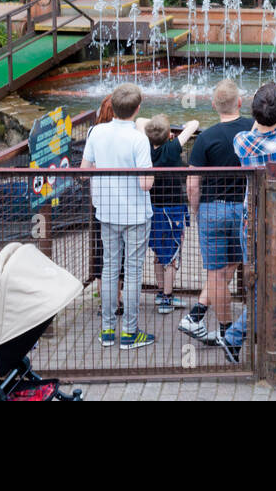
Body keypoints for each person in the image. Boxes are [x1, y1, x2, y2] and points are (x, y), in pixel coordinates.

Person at [222, 82, 276, 362]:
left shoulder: (242, 143)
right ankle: (237, 336)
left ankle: (250, 336)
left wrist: (264, 113)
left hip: (252, 228)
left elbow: (250, 135)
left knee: (259, 285)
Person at [83, 83, 154, 350]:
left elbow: (85, 169)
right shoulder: (138, 138)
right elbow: (146, 183)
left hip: (107, 211)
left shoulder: (96, 132)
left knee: (110, 268)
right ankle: (130, 332)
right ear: (137, 108)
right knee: (133, 272)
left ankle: (108, 330)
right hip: (135, 214)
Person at [181, 79, 252, 345]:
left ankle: (223, 328)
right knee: (245, 264)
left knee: (217, 272)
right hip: (244, 208)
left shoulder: (206, 138)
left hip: (213, 208)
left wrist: (198, 211)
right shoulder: (252, 129)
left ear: (213, 105)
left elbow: (192, 184)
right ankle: (231, 329)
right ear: (240, 103)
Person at [143, 115, 199, 314]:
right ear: (168, 134)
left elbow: (141, 120)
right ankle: (167, 298)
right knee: (173, 254)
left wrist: (160, 133)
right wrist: (175, 134)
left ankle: (161, 293)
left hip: (154, 209)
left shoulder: (146, 149)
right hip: (173, 210)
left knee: (159, 253)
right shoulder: (173, 148)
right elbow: (194, 124)